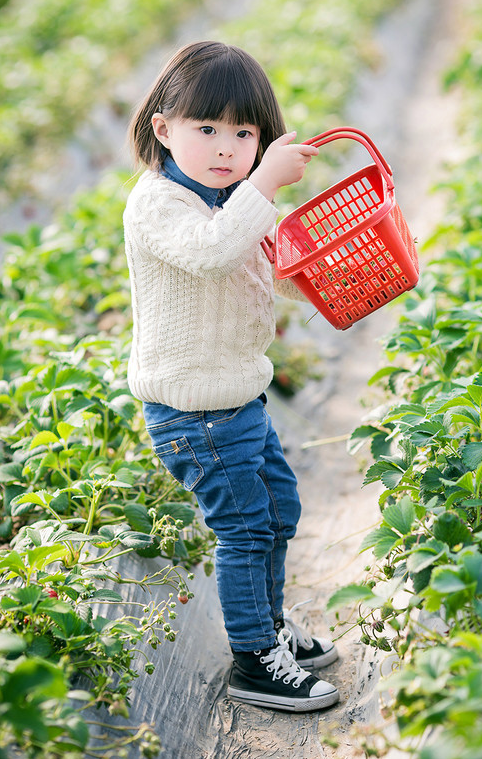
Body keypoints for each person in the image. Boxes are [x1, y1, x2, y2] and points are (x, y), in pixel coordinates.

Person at [123, 40, 340, 712]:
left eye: (243, 133)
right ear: (164, 129)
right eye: (206, 129)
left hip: (239, 401)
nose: (225, 147)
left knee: (278, 511)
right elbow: (214, 256)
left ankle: (269, 628)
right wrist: (264, 184)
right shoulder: (160, 205)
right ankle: (253, 660)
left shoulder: (222, 198)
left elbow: (251, 270)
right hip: (196, 415)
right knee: (244, 527)